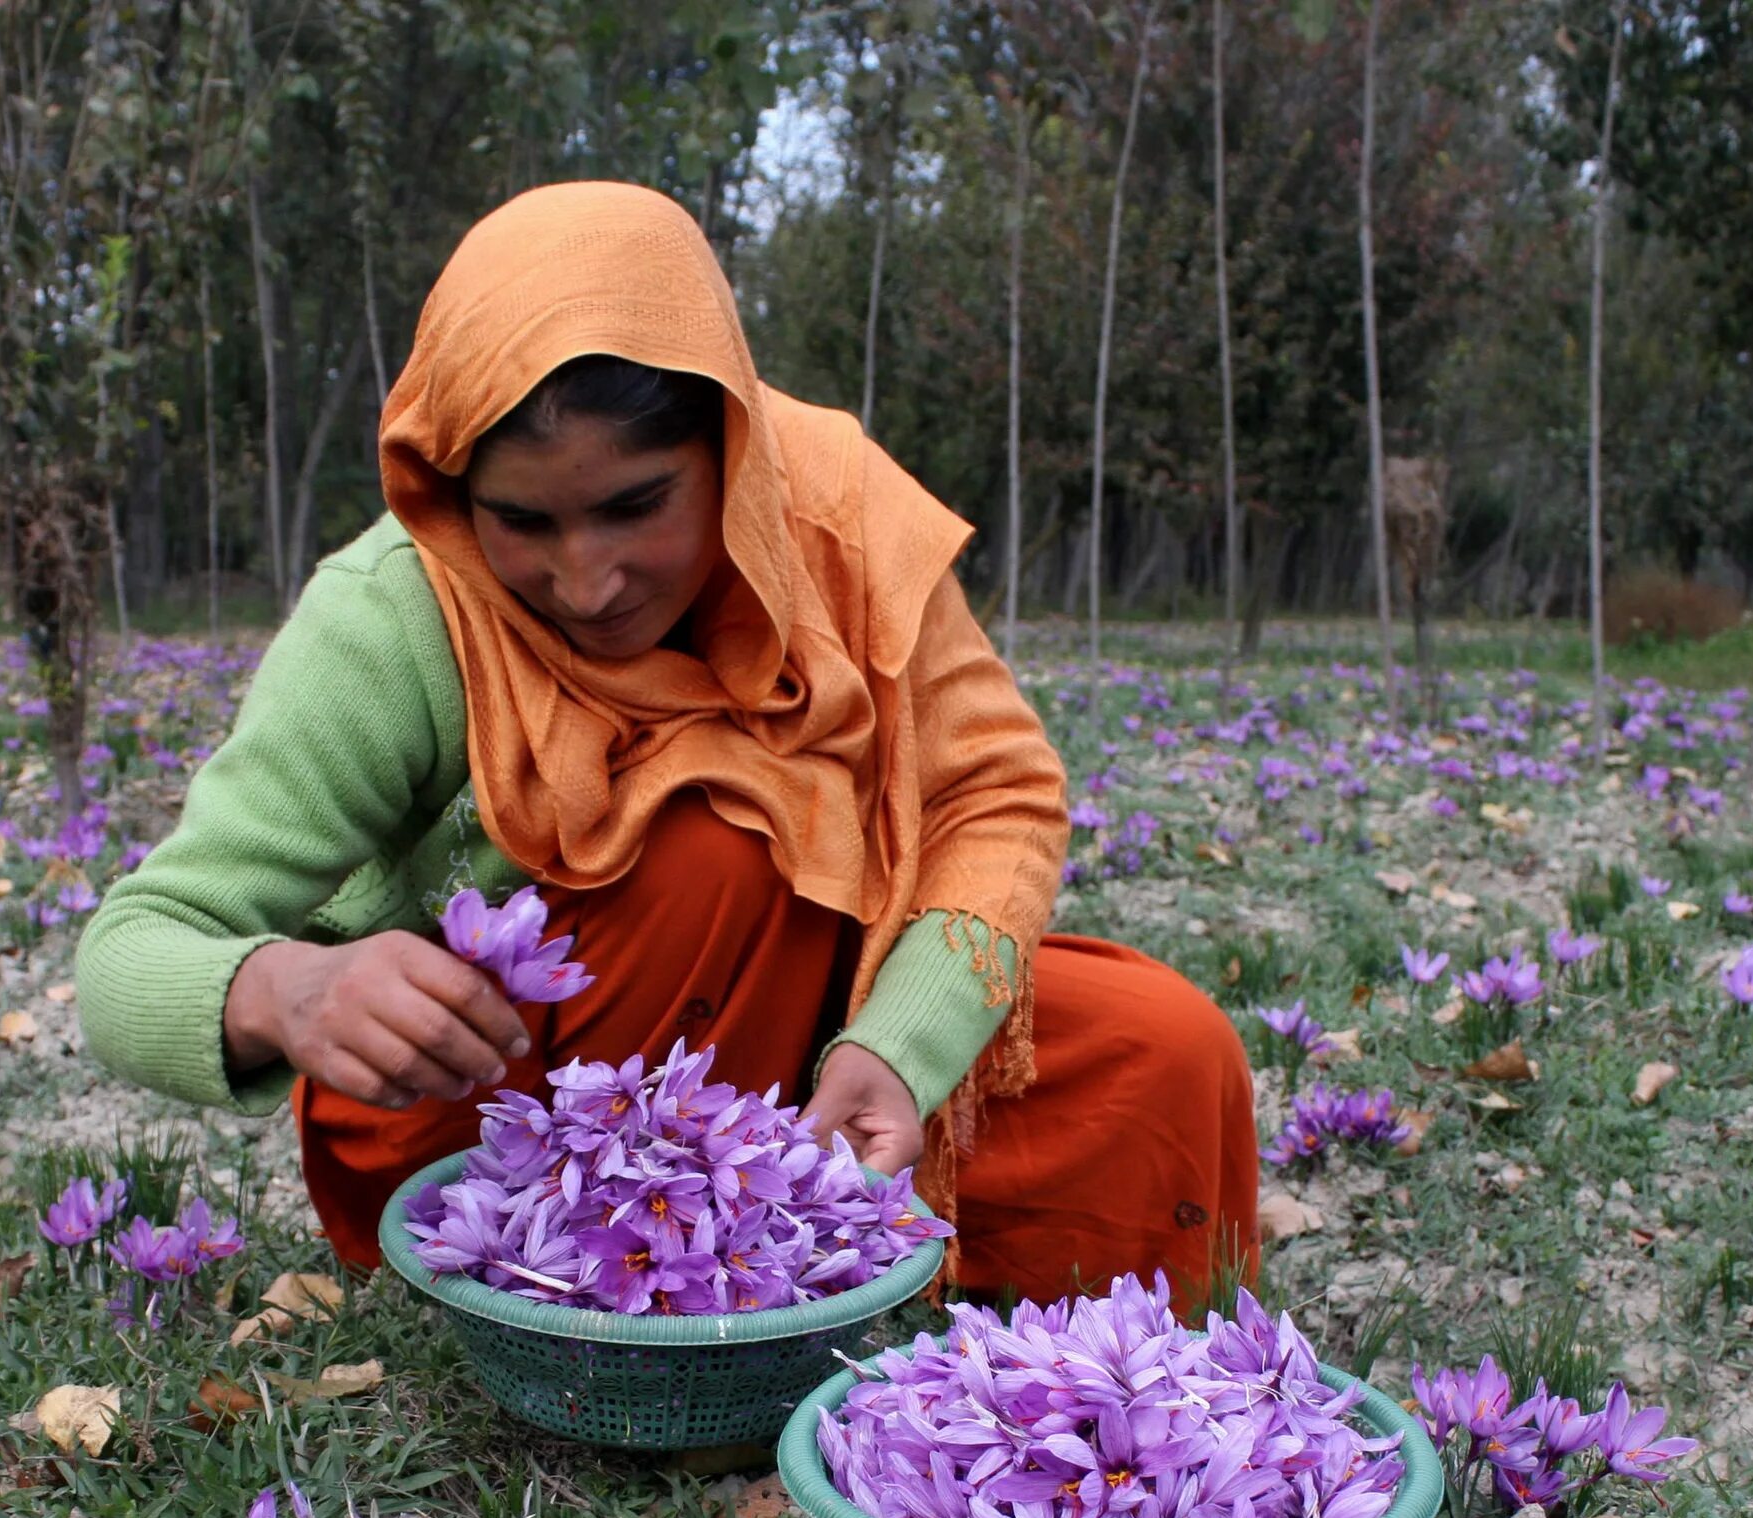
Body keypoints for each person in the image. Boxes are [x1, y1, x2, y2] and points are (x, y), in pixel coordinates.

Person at [76, 180, 1256, 1307]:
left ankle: (813, 1243)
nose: (585, 582)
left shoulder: (830, 519)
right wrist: (286, 986)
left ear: (732, 453)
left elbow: (994, 794)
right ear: (451, 493)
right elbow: (130, 952)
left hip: (798, 1041)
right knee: (714, 838)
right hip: (505, 1120)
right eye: (522, 521)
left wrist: (897, 1052)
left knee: (1165, 1054)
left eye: (638, 505)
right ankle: (674, 1307)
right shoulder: (398, 613)